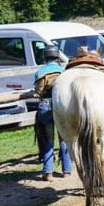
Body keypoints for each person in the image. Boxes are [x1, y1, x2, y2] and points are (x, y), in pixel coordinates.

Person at [34, 45, 72, 181]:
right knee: (64, 139)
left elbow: (37, 91)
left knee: (48, 140)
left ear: (45, 57)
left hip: (45, 106)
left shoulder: (40, 72)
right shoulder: (63, 71)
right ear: (57, 57)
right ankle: (67, 170)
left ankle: (48, 172)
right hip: (61, 105)